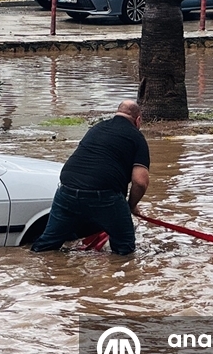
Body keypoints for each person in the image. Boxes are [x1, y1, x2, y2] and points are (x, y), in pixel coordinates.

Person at [31, 99, 150, 255]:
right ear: (138, 120)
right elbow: (140, 182)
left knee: (47, 244)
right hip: (105, 195)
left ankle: (39, 271)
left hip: (67, 189)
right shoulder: (137, 137)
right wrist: (131, 205)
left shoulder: (96, 128)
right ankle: (121, 277)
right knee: (124, 250)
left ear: (117, 113)